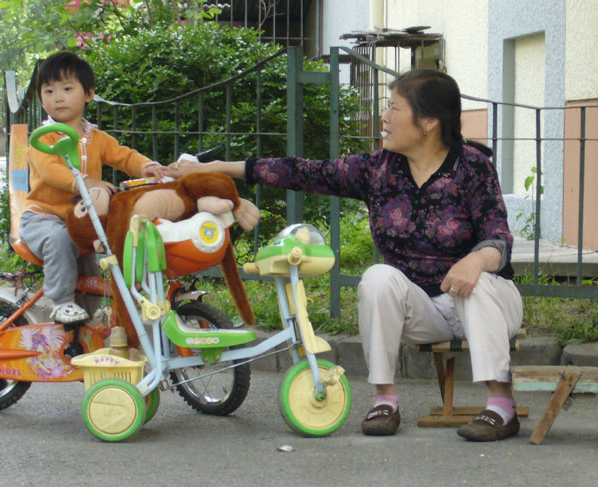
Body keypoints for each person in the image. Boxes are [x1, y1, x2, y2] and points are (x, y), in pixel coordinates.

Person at [164, 69, 524, 441]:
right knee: (377, 278)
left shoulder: (472, 167)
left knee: (478, 282)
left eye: (394, 107)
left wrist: (475, 261)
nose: (384, 117)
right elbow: (301, 171)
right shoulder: (378, 170)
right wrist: (210, 169)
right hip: (424, 308)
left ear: (429, 122)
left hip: (488, 305)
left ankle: (501, 407)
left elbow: (498, 237)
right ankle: (384, 400)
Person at [20, 51, 165, 323]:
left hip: (83, 223)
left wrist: (146, 166)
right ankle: (61, 302)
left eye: (66, 89)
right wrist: (85, 183)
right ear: (41, 98)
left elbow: (124, 156)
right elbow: (50, 172)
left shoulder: (95, 138)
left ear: (88, 94)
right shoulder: (44, 138)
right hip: (43, 218)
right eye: (49, 91)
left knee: (93, 272)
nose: (58, 97)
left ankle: (83, 324)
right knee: (60, 240)